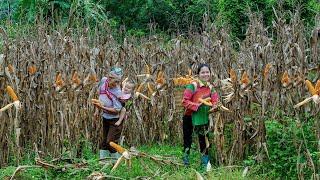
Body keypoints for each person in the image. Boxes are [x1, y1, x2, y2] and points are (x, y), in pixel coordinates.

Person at [182, 64, 219, 170]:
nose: (205, 74)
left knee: (204, 139)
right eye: (203, 72)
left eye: (207, 72)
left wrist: (216, 106)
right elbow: (184, 101)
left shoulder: (211, 88)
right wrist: (196, 106)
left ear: (210, 73)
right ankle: (186, 162)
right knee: (187, 139)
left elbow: (215, 100)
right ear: (198, 74)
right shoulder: (192, 86)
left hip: (204, 117)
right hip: (189, 116)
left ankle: (205, 164)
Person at [94, 67, 124, 161]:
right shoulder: (103, 81)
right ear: (109, 77)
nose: (116, 84)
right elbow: (100, 96)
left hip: (115, 119)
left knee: (110, 142)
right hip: (105, 117)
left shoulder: (118, 92)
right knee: (104, 141)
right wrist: (97, 110)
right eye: (113, 80)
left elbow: (117, 110)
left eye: (117, 82)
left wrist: (102, 108)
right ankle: (103, 161)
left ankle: (116, 161)